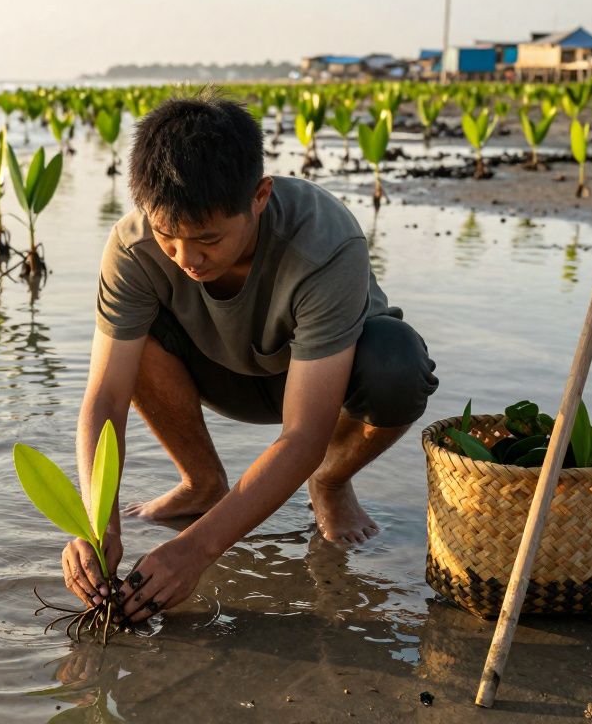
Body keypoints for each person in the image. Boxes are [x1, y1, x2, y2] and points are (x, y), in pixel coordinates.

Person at [62, 90, 438, 625]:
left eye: (208, 240)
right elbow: (105, 398)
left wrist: (196, 551)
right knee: (130, 338)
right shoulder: (132, 248)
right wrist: (98, 523)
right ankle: (201, 482)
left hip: (321, 380)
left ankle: (331, 482)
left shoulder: (325, 241)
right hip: (215, 371)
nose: (187, 259)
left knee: (398, 365)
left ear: (259, 197)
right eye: (169, 237)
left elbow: (302, 434)